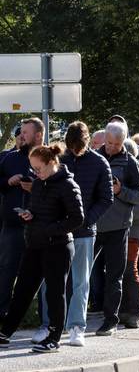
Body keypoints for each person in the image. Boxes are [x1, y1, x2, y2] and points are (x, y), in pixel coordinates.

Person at [0, 145, 83, 353]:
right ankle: (5, 332)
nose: (35, 173)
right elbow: (37, 211)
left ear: (51, 163)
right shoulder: (38, 184)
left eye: (38, 169)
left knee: (55, 294)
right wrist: (29, 215)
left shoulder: (68, 185)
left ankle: (54, 338)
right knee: (22, 290)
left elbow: (77, 218)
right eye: (33, 169)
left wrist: (50, 229)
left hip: (58, 246)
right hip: (36, 244)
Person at [43, 122, 113, 347]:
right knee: (52, 280)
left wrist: (86, 219)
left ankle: (76, 327)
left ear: (86, 142)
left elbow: (106, 198)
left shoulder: (99, 162)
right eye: (71, 147)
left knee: (81, 281)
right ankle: (50, 325)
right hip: (58, 231)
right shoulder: (58, 159)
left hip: (84, 231)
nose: (74, 151)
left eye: (78, 147)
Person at [95, 122, 139, 335]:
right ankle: (73, 320)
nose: (112, 147)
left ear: (124, 140)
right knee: (82, 274)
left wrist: (120, 191)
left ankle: (110, 320)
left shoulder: (130, 163)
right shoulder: (94, 159)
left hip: (119, 226)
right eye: (109, 142)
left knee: (115, 275)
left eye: (117, 144)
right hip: (93, 225)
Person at [0, 118, 43, 326]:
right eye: (21, 132)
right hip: (12, 225)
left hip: (40, 228)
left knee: (36, 274)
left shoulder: (49, 158)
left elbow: (61, 189)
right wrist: (8, 182)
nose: (21, 135)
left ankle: (37, 317)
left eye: (26, 132)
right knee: (6, 271)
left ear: (38, 135)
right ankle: (3, 316)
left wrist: (35, 188)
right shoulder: (8, 159)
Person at [118, 139, 139, 329]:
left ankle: (138, 312)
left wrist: (122, 215)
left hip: (132, 231)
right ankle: (123, 310)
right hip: (118, 230)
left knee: (131, 270)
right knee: (119, 270)